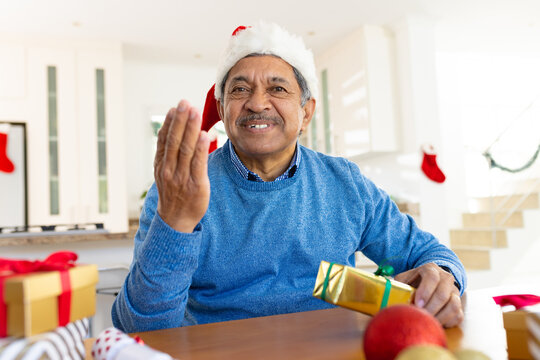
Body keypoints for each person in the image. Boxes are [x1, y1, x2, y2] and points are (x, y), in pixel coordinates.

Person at [112, 21, 466, 333]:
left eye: (278, 89)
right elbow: (143, 328)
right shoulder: (179, 190)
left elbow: (432, 254)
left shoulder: (345, 183)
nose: (257, 103)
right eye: (239, 89)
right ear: (222, 110)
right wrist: (175, 223)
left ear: (306, 112)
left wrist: (444, 277)